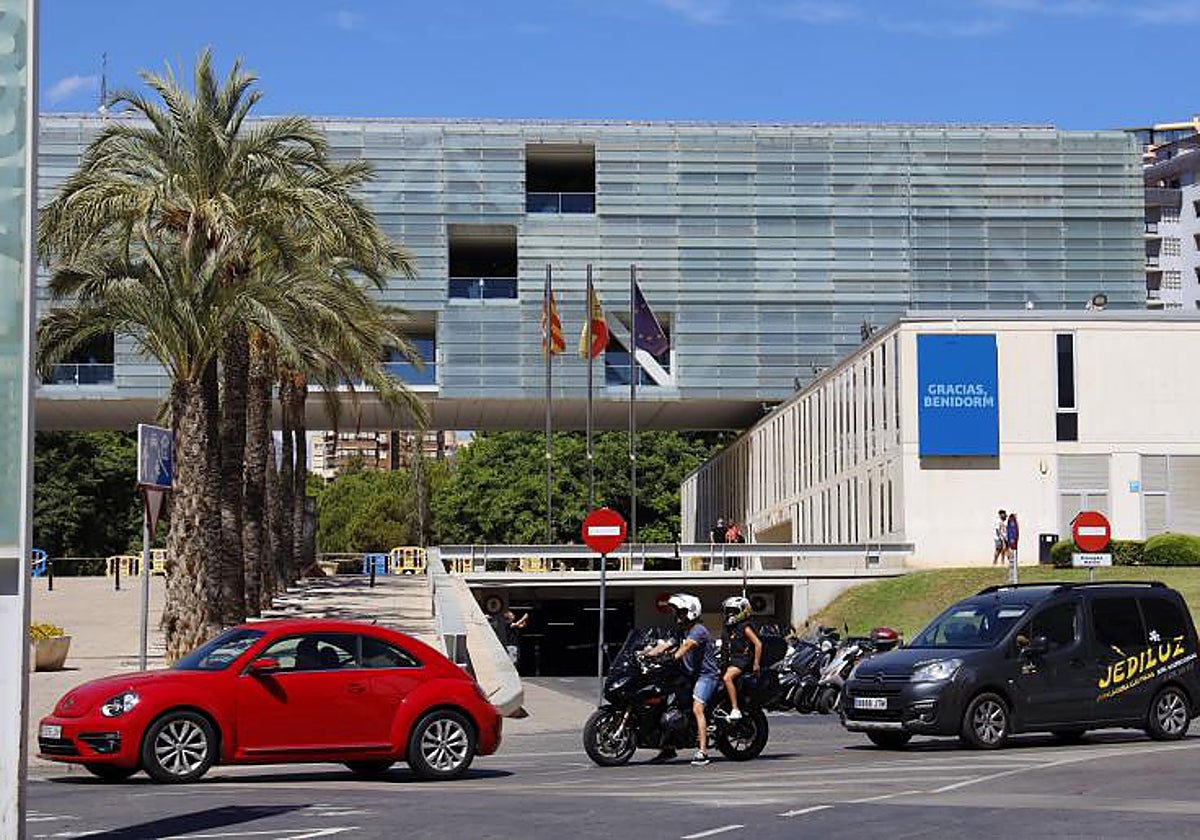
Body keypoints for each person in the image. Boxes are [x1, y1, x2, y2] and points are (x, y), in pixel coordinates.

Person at [650, 593, 719, 766]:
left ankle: (703, 752)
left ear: (691, 612)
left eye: (680, 612)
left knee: (697, 708)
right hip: (689, 675)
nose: (677, 616)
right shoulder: (682, 630)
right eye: (676, 612)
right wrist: (645, 654)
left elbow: (686, 647)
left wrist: (672, 657)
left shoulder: (698, 631)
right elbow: (666, 644)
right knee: (668, 703)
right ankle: (668, 748)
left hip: (706, 676)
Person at [720, 596, 762, 721]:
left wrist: (756, 664)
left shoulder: (745, 627)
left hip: (742, 660)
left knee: (727, 678)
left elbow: (758, 644)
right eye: (728, 611)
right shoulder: (729, 628)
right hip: (731, 660)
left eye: (734, 611)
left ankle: (735, 709)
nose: (730, 614)